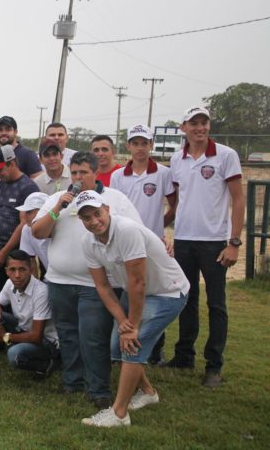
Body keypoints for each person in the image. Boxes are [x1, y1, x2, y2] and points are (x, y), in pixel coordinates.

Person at [31, 151, 142, 409]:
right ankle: (73, 382)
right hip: (59, 281)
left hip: (97, 284)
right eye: (75, 173)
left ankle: (98, 389)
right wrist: (60, 207)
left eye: (84, 173)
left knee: (93, 337)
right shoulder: (59, 198)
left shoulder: (114, 199)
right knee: (67, 334)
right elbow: (38, 232)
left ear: (95, 173)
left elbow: (135, 231)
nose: (78, 178)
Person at [76, 191, 189, 427]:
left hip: (167, 292)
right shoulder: (88, 242)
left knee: (132, 347)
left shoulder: (127, 230)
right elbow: (103, 285)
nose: (94, 221)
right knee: (117, 346)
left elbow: (139, 282)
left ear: (106, 209)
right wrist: (121, 319)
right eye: (86, 218)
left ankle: (119, 414)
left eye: (97, 213)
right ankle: (148, 393)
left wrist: (132, 327)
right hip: (134, 292)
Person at [166, 107, 245, 388]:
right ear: (183, 127)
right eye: (194, 123)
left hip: (214, 242)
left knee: (216, 303)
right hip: (185, 240)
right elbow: (177, 201)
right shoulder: (177, 159)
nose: (200, 128)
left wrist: (234, 242)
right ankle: (184, 355)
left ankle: (214, 365)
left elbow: (238, 200)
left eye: (204, 122)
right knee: (186, 299)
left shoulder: (225, 155)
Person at [110, 124, 176, 365]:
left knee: (154, 293)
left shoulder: (162, 173)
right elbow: (115, 207)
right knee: (129, 291)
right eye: (135, 143)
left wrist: (160, 227)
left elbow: (173, 203)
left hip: (152, 245)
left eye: (144, 143)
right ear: (128, 146)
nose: (140, 148)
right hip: (126, 243)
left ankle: (154, 348)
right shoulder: (118, 176)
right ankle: (124, 345)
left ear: (151, 145)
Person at [0, 250, 59, 380]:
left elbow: (36, 336)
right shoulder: (10, 283)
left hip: (45, 342)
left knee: (14, 355)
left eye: (22, 269)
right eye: (12, 270)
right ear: (6, 271)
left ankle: (47, 363)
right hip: (22, 328)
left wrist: (6, 337)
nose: (17, 275)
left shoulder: (41, 292)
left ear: (31, 269)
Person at [0, 145, 40, 294]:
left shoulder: (28, 188)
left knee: (15, 296)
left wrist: (4, 253)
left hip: (16, 254)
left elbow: (24, 224)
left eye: (0, 169)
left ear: (12, 163)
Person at [16, 192, 51, 275]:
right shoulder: (26, 229)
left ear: (43, 211)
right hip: (51, 278)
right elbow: (30, 262)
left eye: (29, 211)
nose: (24, 216)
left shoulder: (60, 226)